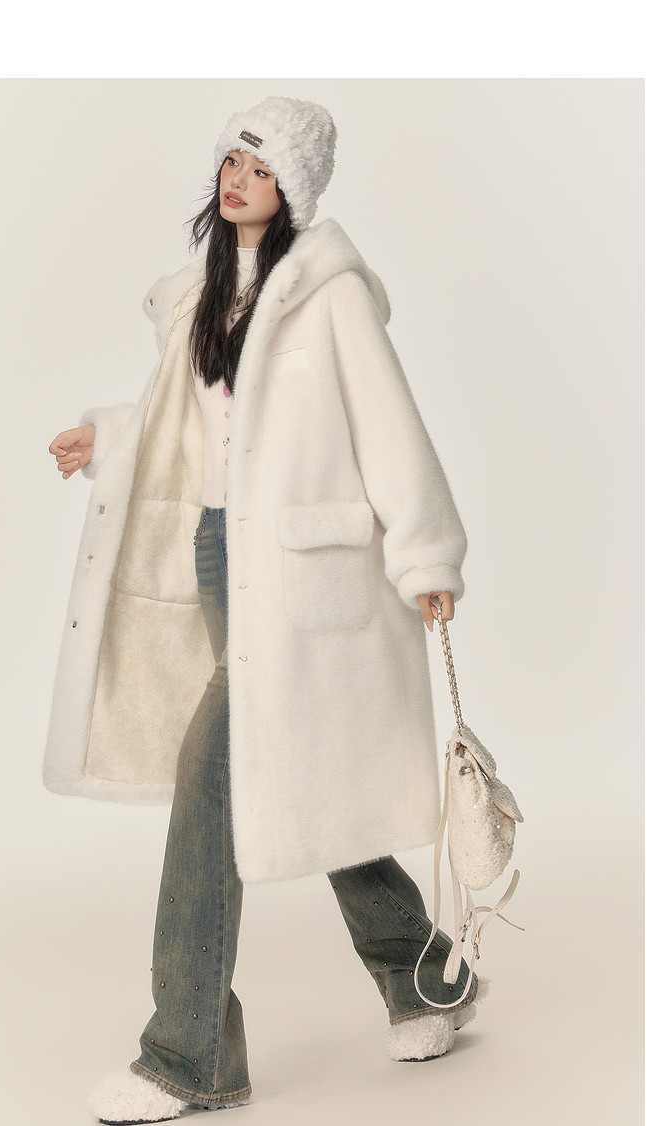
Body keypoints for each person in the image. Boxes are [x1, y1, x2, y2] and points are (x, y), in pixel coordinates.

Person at [46, 96, 486, 1124]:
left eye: (261, 168)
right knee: (298, 767)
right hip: (215, 552)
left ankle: (186, 1052)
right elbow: (191, 423)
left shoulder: (329, 292)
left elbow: (388, 423)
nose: (239, 180)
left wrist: (427, 551)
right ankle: (427, 977)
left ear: (295, 187)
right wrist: (107, 436)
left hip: (306, 573)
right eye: (232, 164)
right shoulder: (198, 296)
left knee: (214, 784)